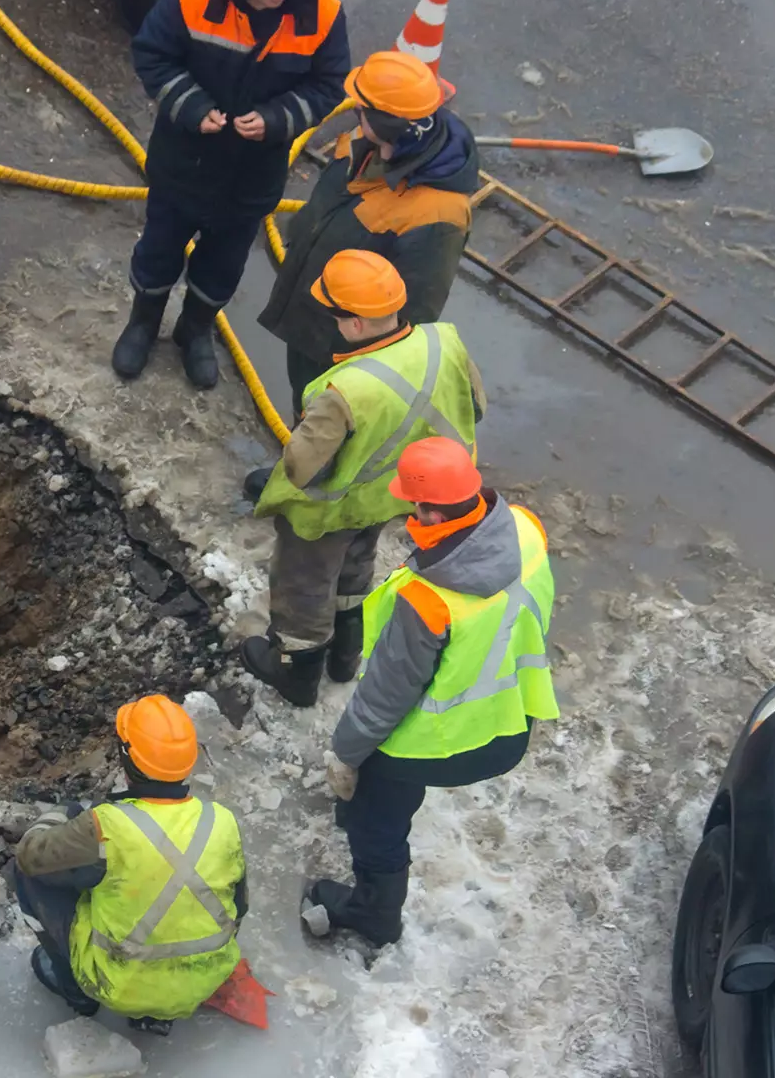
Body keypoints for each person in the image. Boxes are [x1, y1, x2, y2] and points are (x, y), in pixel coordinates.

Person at [303, 436, 558, 946]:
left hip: (445, 742)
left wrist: (346, 755)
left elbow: (383, 700)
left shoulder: (429, 600)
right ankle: (360, 813)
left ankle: (374, 915)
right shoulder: (526, 530)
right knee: (381, 786)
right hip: (510, 724)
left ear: (429, 511)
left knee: (378, 808)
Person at [114, 0, 351, 389]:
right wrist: (192, 107)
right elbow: (153, 54)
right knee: (159, 249)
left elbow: (328, 84)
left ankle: (194, 330)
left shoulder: (322, 13)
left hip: (251, 175)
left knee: (223, 263)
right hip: (182, 163)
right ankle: (143, 322)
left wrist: (275, 120)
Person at [241, 250, 484, 708]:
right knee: (356, 563)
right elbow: (476, 407)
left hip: (330, 511)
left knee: (305, 585)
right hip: (395, 497)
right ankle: (345, 655)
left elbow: (300, 468)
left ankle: (298, 672)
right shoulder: (443, 342)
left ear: (353, 324)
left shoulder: (345, 391)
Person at [248, 49, 479, 496]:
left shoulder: (437, 211)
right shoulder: (370, 141)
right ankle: (304, 463)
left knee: (330, 418)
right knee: (307, 403)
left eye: (364, 108)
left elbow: (418, 304)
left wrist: (361, 369)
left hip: (345, 343)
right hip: (316, 312)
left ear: (392, 124)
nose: (355, 112)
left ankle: (311, 488)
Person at [9, 694, 247, 1035]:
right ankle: (161, 1009)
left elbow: (30, 856)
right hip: (203, 981)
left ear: (127, 758)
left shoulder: (107, 825)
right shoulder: (221, 821)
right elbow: (241, 907)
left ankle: (77, 991)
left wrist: (57, 816)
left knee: (28, 875)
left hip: (116, 985)